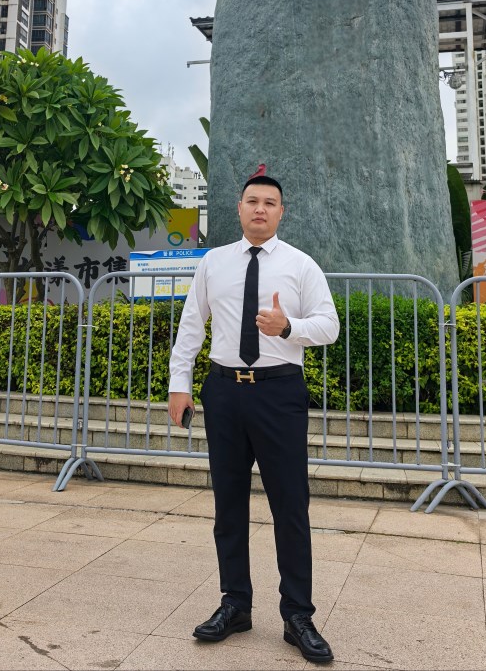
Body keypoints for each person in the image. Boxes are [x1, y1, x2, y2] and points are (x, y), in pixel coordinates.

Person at [168, 175, 340, 665]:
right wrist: (179, 383)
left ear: (282, 212)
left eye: (270, 202)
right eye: (252, 201)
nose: (260, 209)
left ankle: (298, 614)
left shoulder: (301, 265)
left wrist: (289, 327)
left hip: (278, 392)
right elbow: (191, 323)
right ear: (239, 208)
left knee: (290, 505)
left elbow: (329, 325)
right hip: (224, 391)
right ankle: (235, 604)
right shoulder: (214, 262)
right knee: (228, 504)